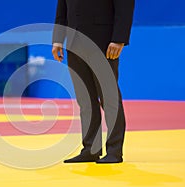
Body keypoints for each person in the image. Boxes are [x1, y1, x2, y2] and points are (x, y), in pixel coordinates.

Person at [52, 0, 135, 163]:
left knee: (109, 98)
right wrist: (57, 39)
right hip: (74, 41)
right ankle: (91, 149)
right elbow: (62, 8)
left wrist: (119, 39)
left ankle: (114, 151)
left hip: (103, 42)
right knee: (85, 100)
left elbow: (125, 6)